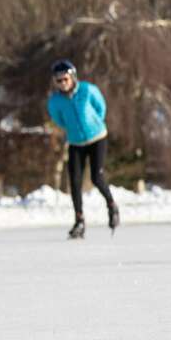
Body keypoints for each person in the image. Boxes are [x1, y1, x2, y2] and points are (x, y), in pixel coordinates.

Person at [46, 59, 119, 239]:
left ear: (73, 77)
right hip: (76, 142)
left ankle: (111, 205)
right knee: (75, 182)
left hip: (97, 138)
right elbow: (59, 120)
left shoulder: (87, 90)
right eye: (59, 81)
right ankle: (79, 220)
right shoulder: (55, 102)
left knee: (97, 176)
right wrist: (74, 131)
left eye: (65, 79)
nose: (63, 84)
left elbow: (100, 108)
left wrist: (94, 124)